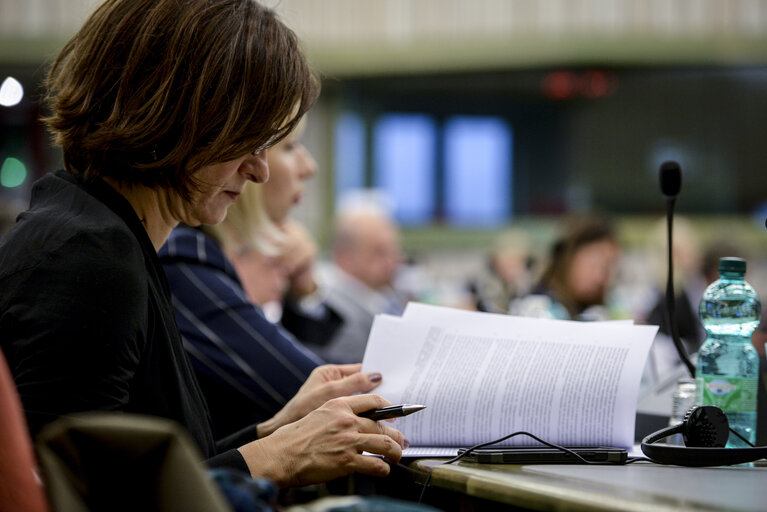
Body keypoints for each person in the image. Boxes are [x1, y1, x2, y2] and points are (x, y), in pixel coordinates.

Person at [0, 0, 405, 488]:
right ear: (177, 118)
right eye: (247, 141)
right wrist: (278, 456)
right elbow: (91, 497)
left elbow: (156, 466)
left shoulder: (101, 234)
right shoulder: (89, 258)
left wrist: (277, 429)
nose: (259, 170)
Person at [158, 125, 343, 438]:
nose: (309, 167)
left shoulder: (203, 252)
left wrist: (303, 293)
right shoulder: (186, 255)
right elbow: (302, 384)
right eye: (290, 147)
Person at [307, 206, 406, 364]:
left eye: (393, 250)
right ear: (344, 257)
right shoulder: (340, 320)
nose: (393, 261)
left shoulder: (379, 294)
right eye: (379, 252)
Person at [510, 214, 620, 321]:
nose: (600, 278)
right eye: (594, 265)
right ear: (567, 259)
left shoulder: (597, 312)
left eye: (607, 269)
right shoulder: (535, 311)